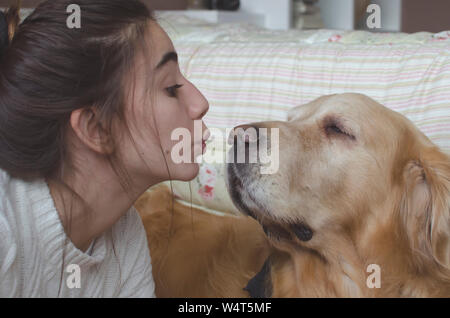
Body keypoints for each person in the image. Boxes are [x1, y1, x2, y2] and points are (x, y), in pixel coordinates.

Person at [0, 0, 210, 297]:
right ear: (95, 128)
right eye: (171, 88)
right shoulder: (6, 231)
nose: (201, 103)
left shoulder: (124, 238)